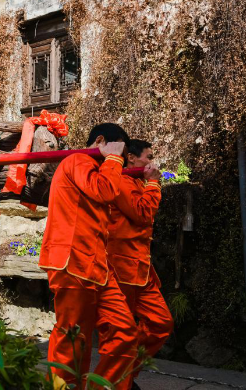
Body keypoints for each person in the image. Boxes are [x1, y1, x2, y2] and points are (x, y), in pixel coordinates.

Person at [39, 123, 138, 389]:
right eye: (121, 150)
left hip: (97, 267)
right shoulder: (77, 160)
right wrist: (115, 157)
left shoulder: (100, 168)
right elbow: (103, 190)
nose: (122, 160)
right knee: (72, 339)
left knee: (125, 332)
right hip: (72, 262)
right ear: (102, 141)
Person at [108, 139, 173, 389]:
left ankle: (124, 372)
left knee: (161, 322)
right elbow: (143, 213)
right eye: (148, 157)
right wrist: (154, 183)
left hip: (141, 270)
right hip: (121, 268)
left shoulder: (136, 181)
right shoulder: (123, 181)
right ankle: (120, 381)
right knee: (121, 332)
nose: (151, 162)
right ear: (132, 159)